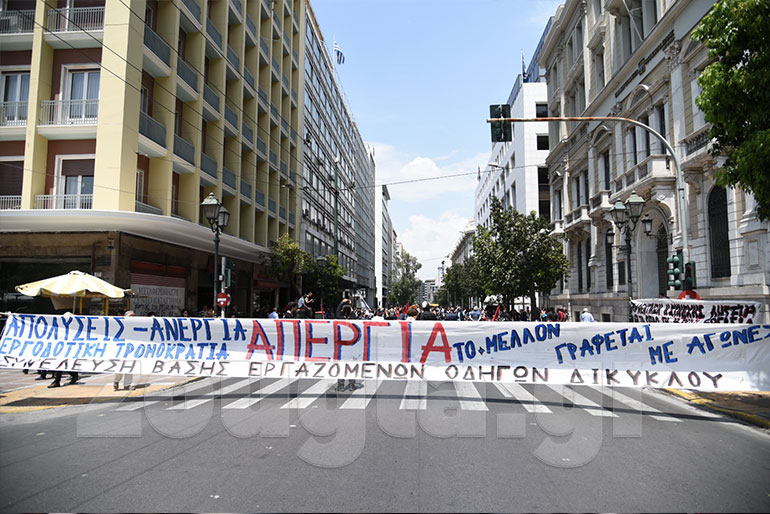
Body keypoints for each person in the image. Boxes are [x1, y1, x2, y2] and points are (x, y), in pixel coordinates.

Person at [114, 310, 136, 391]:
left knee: (130, 367)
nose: (132, 317)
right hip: (121, 348)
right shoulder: (121, 325)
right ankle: (116, 381)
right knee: (120, 365)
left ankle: (127, 384)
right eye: (131, 316)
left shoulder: (136, 326)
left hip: (131, 349)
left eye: (133, 316)